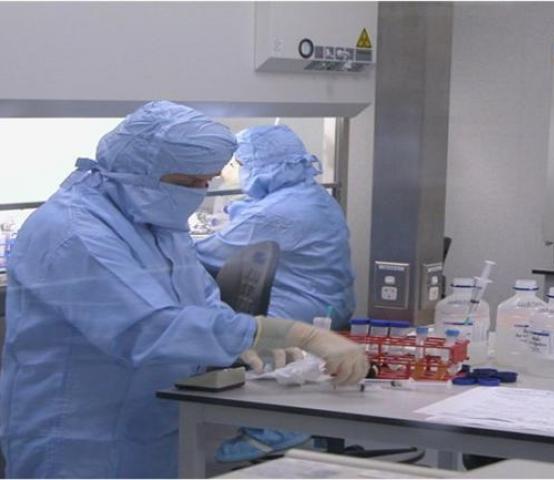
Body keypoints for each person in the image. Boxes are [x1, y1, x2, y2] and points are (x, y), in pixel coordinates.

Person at [0, 101, 368, 478]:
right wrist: (285, 332)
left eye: (206, 181)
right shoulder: (75, 232)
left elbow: (200, 296)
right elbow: (148, 327)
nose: (199, 192)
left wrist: (243, 338)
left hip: (150, 424)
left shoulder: (156, 219)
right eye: (189, 182)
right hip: (78, 437)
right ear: (140, 170)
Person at [195, 125, 356, 463]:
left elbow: (208, 252)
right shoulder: (307, 196)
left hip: (299, 307)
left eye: (238, 163)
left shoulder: (279, 211)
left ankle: (279, 432)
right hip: (322, 299)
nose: (233, 172)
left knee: (233, 333)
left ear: (262, 165)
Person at [196, 125, 355, 329]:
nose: (221, 173)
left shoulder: (273, 213)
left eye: (234, 163)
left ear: (254, 166)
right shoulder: (312, 195)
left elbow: (205, 255)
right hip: (329, 307)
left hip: (293, 316)